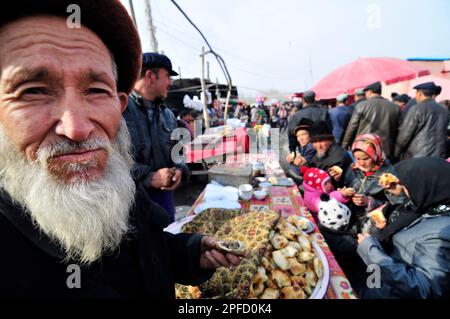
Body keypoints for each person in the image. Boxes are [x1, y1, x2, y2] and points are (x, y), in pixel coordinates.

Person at [0, 0, 238, 298]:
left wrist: (191, 253)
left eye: (97, 91)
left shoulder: (115, 183)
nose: (76, 128)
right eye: (32, 91)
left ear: (119, 105)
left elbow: (145, 253)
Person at [356, 157, 450, 298]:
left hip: (389, 289)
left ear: (426, 187)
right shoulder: (422, 206)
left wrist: (370, 252)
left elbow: (424, 289)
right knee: (367, 291)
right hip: (378, 275)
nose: (405, 193)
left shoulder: (440, 234)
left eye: (406, 188)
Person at [123, 52, 190, 223]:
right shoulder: (119, 110)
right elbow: (109, 160)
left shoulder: (168, 115)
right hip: (131, 202)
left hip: (164, 198)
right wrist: (148, 177)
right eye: (167, 76)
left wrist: (180, 170)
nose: (170, 82)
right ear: (150, 76)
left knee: (167, 240)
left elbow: (179, 153)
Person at [343, 133, 400, 225]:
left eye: (365, 158)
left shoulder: (388, 176)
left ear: (376, 154)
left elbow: (397, 205)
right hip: (348, 218)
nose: (361, 163)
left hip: (371, 223)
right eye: (357, 158)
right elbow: (344, 185)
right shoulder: (353, 168)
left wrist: (370, 202)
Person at [342, 81, 400, 161]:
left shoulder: (362, 106)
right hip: (385, 150)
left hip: (364, 147)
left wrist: (344, 146)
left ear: (369, 92)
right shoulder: (395, 107)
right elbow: (399, 129)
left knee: (362, 171)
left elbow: (352, 127)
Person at [395, 82, 449, 161]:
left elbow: (405, 135)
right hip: (438, 156)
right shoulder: (444, 110)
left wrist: (396, 153)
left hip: (417, 155)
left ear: (419, 94)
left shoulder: (417, 109)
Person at [308, 121, 353, 188]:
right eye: (315, 142)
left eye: (321, 141)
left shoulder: (338, 158)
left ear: (330, 140)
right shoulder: (321, 152)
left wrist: (304, 166)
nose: (318, 146)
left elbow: (326, 182)